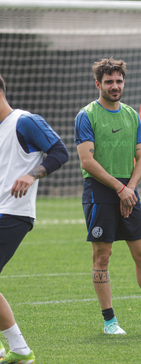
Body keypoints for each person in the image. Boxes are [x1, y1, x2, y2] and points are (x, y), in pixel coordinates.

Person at [75, 58, 141, 335]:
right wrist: (119, 189)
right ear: (98, 84)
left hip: (128, 189)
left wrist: (130, 189)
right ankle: (110, 321)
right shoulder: (86, 115)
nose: (115, 86)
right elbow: (87, 161)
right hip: (100, 190)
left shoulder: (132, 115)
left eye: (119, 81)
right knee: (102, 256)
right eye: (109, 82)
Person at [0, 74, 69, 364]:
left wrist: (31, 174)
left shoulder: (24, 121)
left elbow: (60, 151)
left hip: (14, 213)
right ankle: (13, 350)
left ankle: (20, 350)